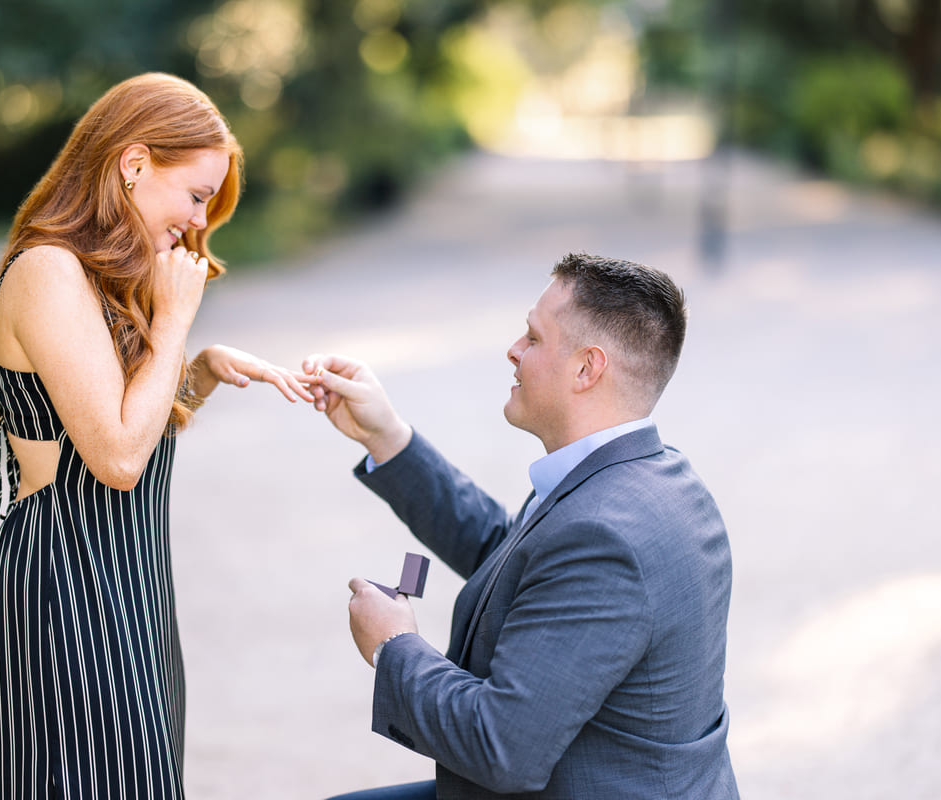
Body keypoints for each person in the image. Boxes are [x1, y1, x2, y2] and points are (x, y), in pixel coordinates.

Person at [0, 72, 313, 799]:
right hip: (66, 581)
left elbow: (117, 419)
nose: (196, 223)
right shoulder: (48, 271)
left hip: (130, 580)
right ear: (132, 164)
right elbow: (119, 458)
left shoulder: (92, 277)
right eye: (194, 195)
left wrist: (199, 375)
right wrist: (176, 322)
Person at [306, 253, 739, 799]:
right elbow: (512, 559)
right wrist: (386, 437)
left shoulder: (605, 537)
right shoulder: (640, 474)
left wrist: (394, 644)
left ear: (587, 368)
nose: (513, 349)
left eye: (532, 338)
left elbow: (501, 747)